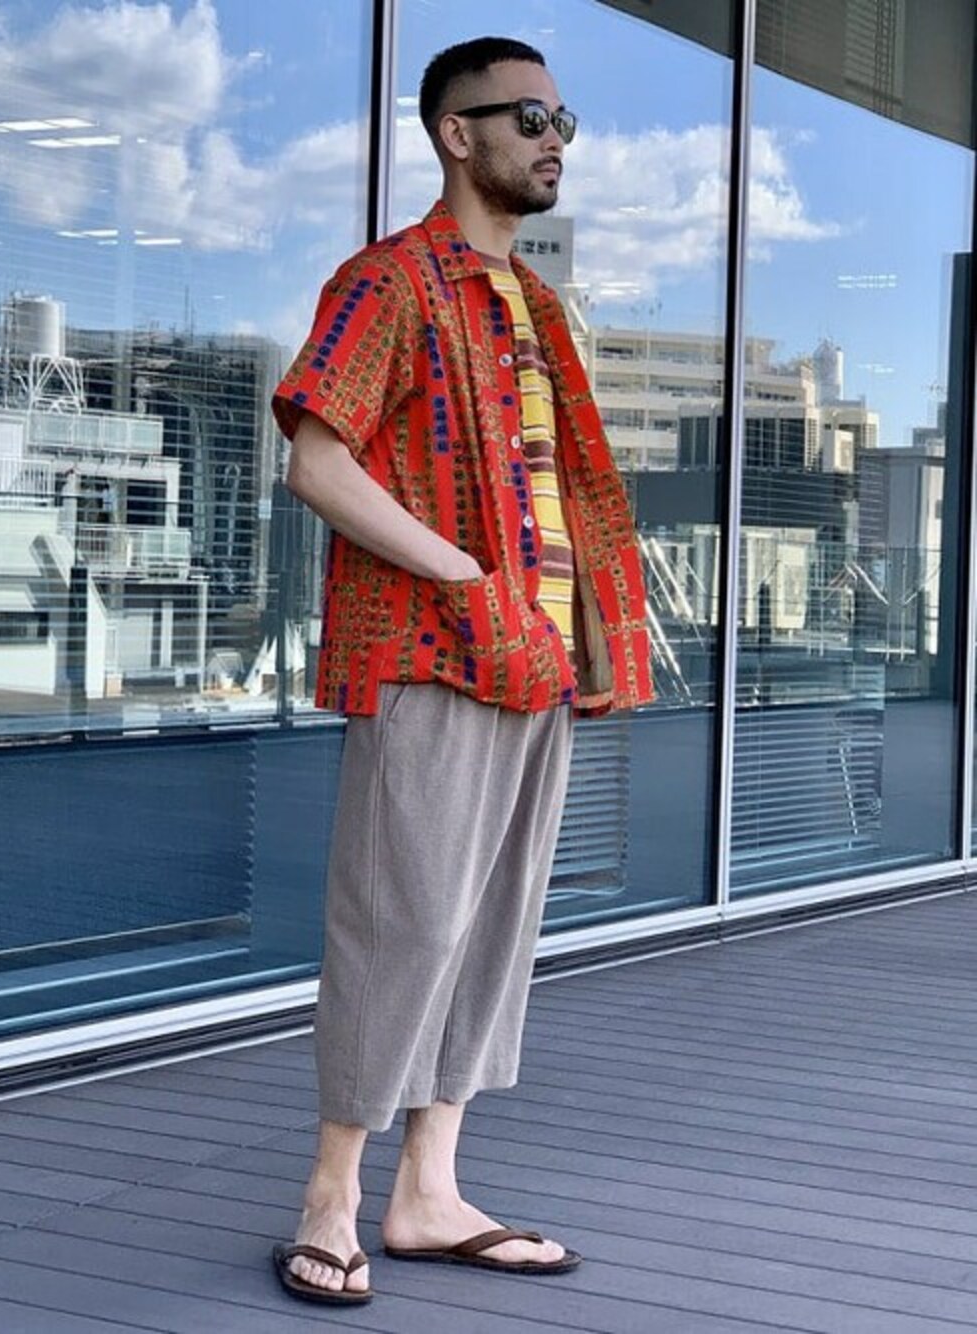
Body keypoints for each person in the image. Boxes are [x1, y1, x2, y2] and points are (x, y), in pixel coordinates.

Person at [270, 35, 652, 1307]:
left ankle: (428, 1190)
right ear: (455, 132)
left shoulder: (533, 304)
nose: (554, 140)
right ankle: (331, 1197)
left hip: (536, 663)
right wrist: (470, 580)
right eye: (528, 117)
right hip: (433, 652)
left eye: (563, 121)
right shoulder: (389, 280)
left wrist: (578, 629)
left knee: (489, 931)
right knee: (402, 925)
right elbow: (318, 461)